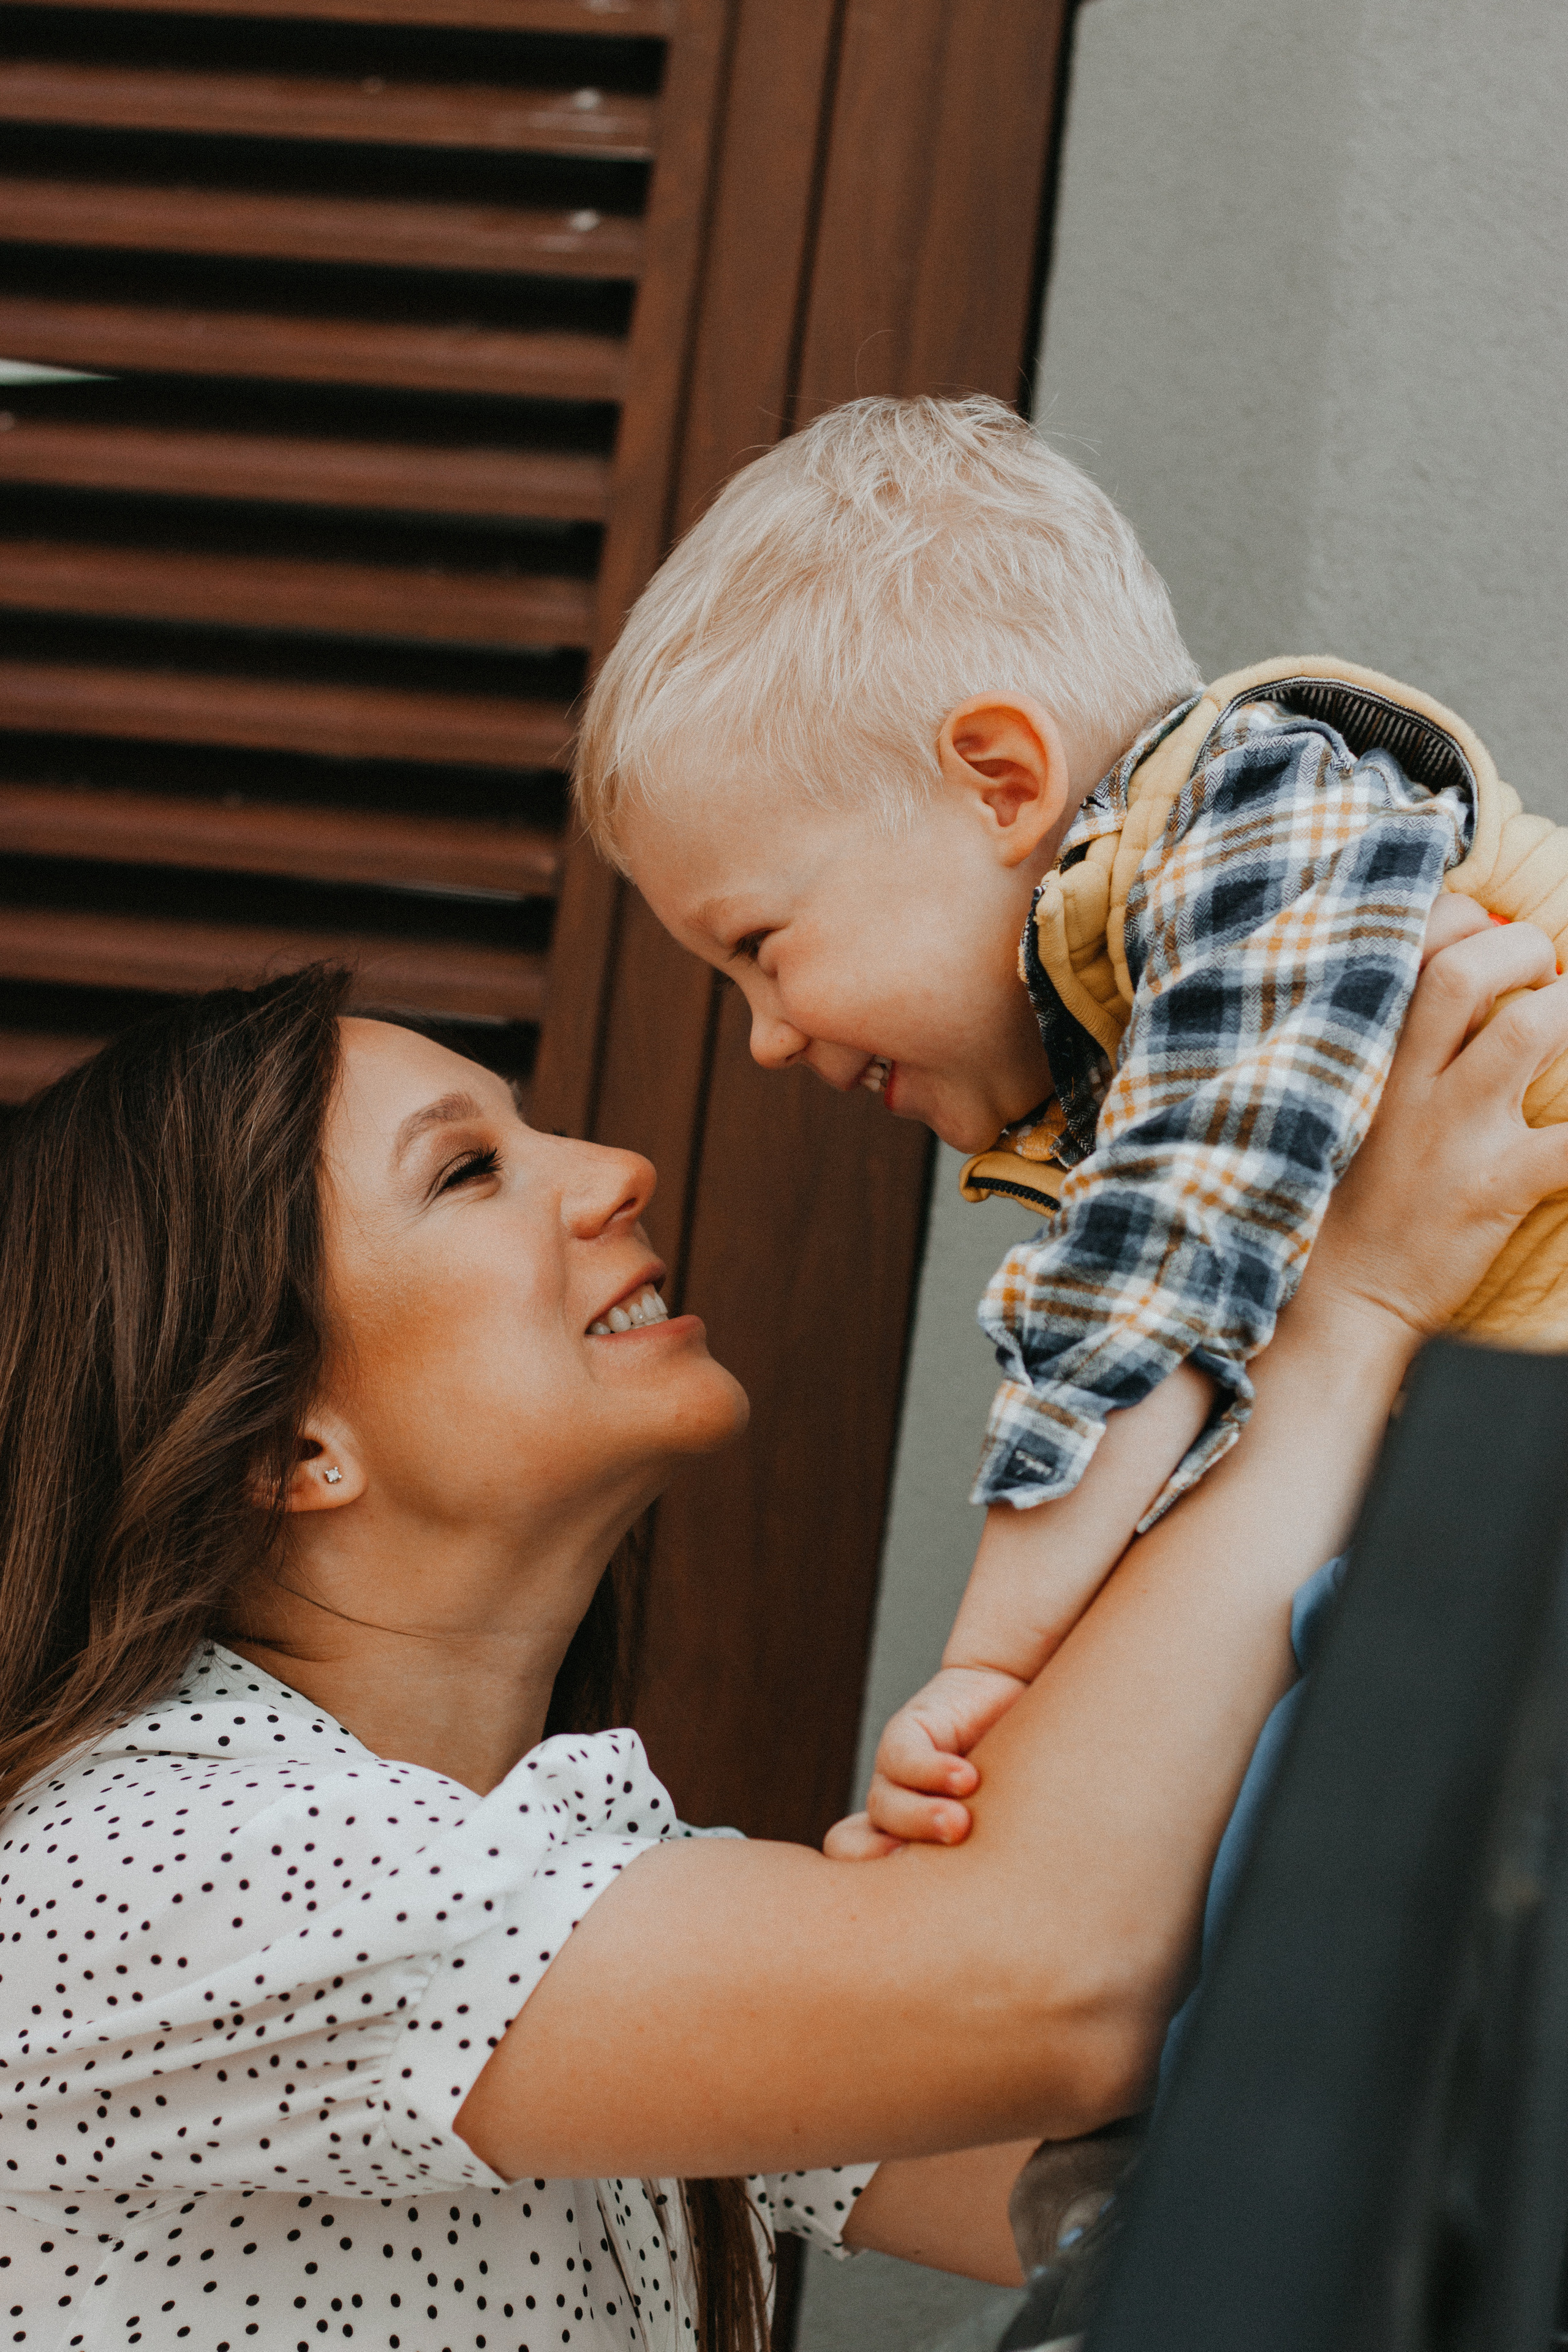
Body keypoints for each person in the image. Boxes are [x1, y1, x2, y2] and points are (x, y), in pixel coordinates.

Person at [1, 929, 1563, 2352]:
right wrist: (1345, 1304)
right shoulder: (147, 1871)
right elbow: (1043, 1987)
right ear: (288, 1441)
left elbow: (1184, 2150)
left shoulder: (578, 1874)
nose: (613, 1167)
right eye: (468, 1171)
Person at [571, 391, 1568, 1844]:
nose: (767, 1037)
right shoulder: (1141, 996)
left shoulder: (1256, 812)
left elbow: (1157, 1281)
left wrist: (986, 1669)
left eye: (761, 945)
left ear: (997, 780)